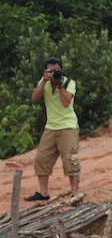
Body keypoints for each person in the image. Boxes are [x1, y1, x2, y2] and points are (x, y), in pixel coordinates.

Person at [25, 56, 81, 202]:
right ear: (45, 71)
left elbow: (66, 102)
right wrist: (44, 81)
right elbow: (34, 98)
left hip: (68, 126)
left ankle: (75, 193)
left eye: (56, 70)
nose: (53, 73)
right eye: (50, 70)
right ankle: (44, 193)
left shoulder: (70, 83)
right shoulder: (45, 83)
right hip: (50, 127)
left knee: (70, 160)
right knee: (41, 159)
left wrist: (60, 85)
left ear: (61, 70)